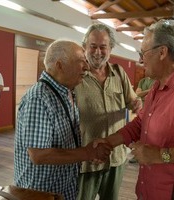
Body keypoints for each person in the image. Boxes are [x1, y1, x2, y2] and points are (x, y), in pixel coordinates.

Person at [14, 39, 112, 200]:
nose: (87, 67)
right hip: (41, 193)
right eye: (81, 62)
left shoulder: (67, 92)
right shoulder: (39, 98)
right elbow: (39, 155)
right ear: (60, 65)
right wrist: (87, 153)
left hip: (63, 189)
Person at [95, 19, 174, 200]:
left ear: (162, 52)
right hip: (148, 189)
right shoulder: (156, 87)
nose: (140, 59)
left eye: (143, 53)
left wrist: (161, 155)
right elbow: (140, 123)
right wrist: (109, 142)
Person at [74, 23, 142, 200]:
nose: (98, 52)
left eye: (103, 47)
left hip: (115, 157)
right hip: (86, 159)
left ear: (110, 48)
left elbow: (133, 100)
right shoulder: (75, 75)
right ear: (84, 47)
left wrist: (136, 103)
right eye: (93, 46)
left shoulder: (119, 73)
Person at [129, 75, 154, 163]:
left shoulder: (157, 81)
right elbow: (137, 94)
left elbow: (151, 97)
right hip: (143, 111)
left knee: (150, 134)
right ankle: (137, 155)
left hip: (153, 111)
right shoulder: (142, 81)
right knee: (140, 133)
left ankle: (148, 155)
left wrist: (144, 93)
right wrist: (150, 90)